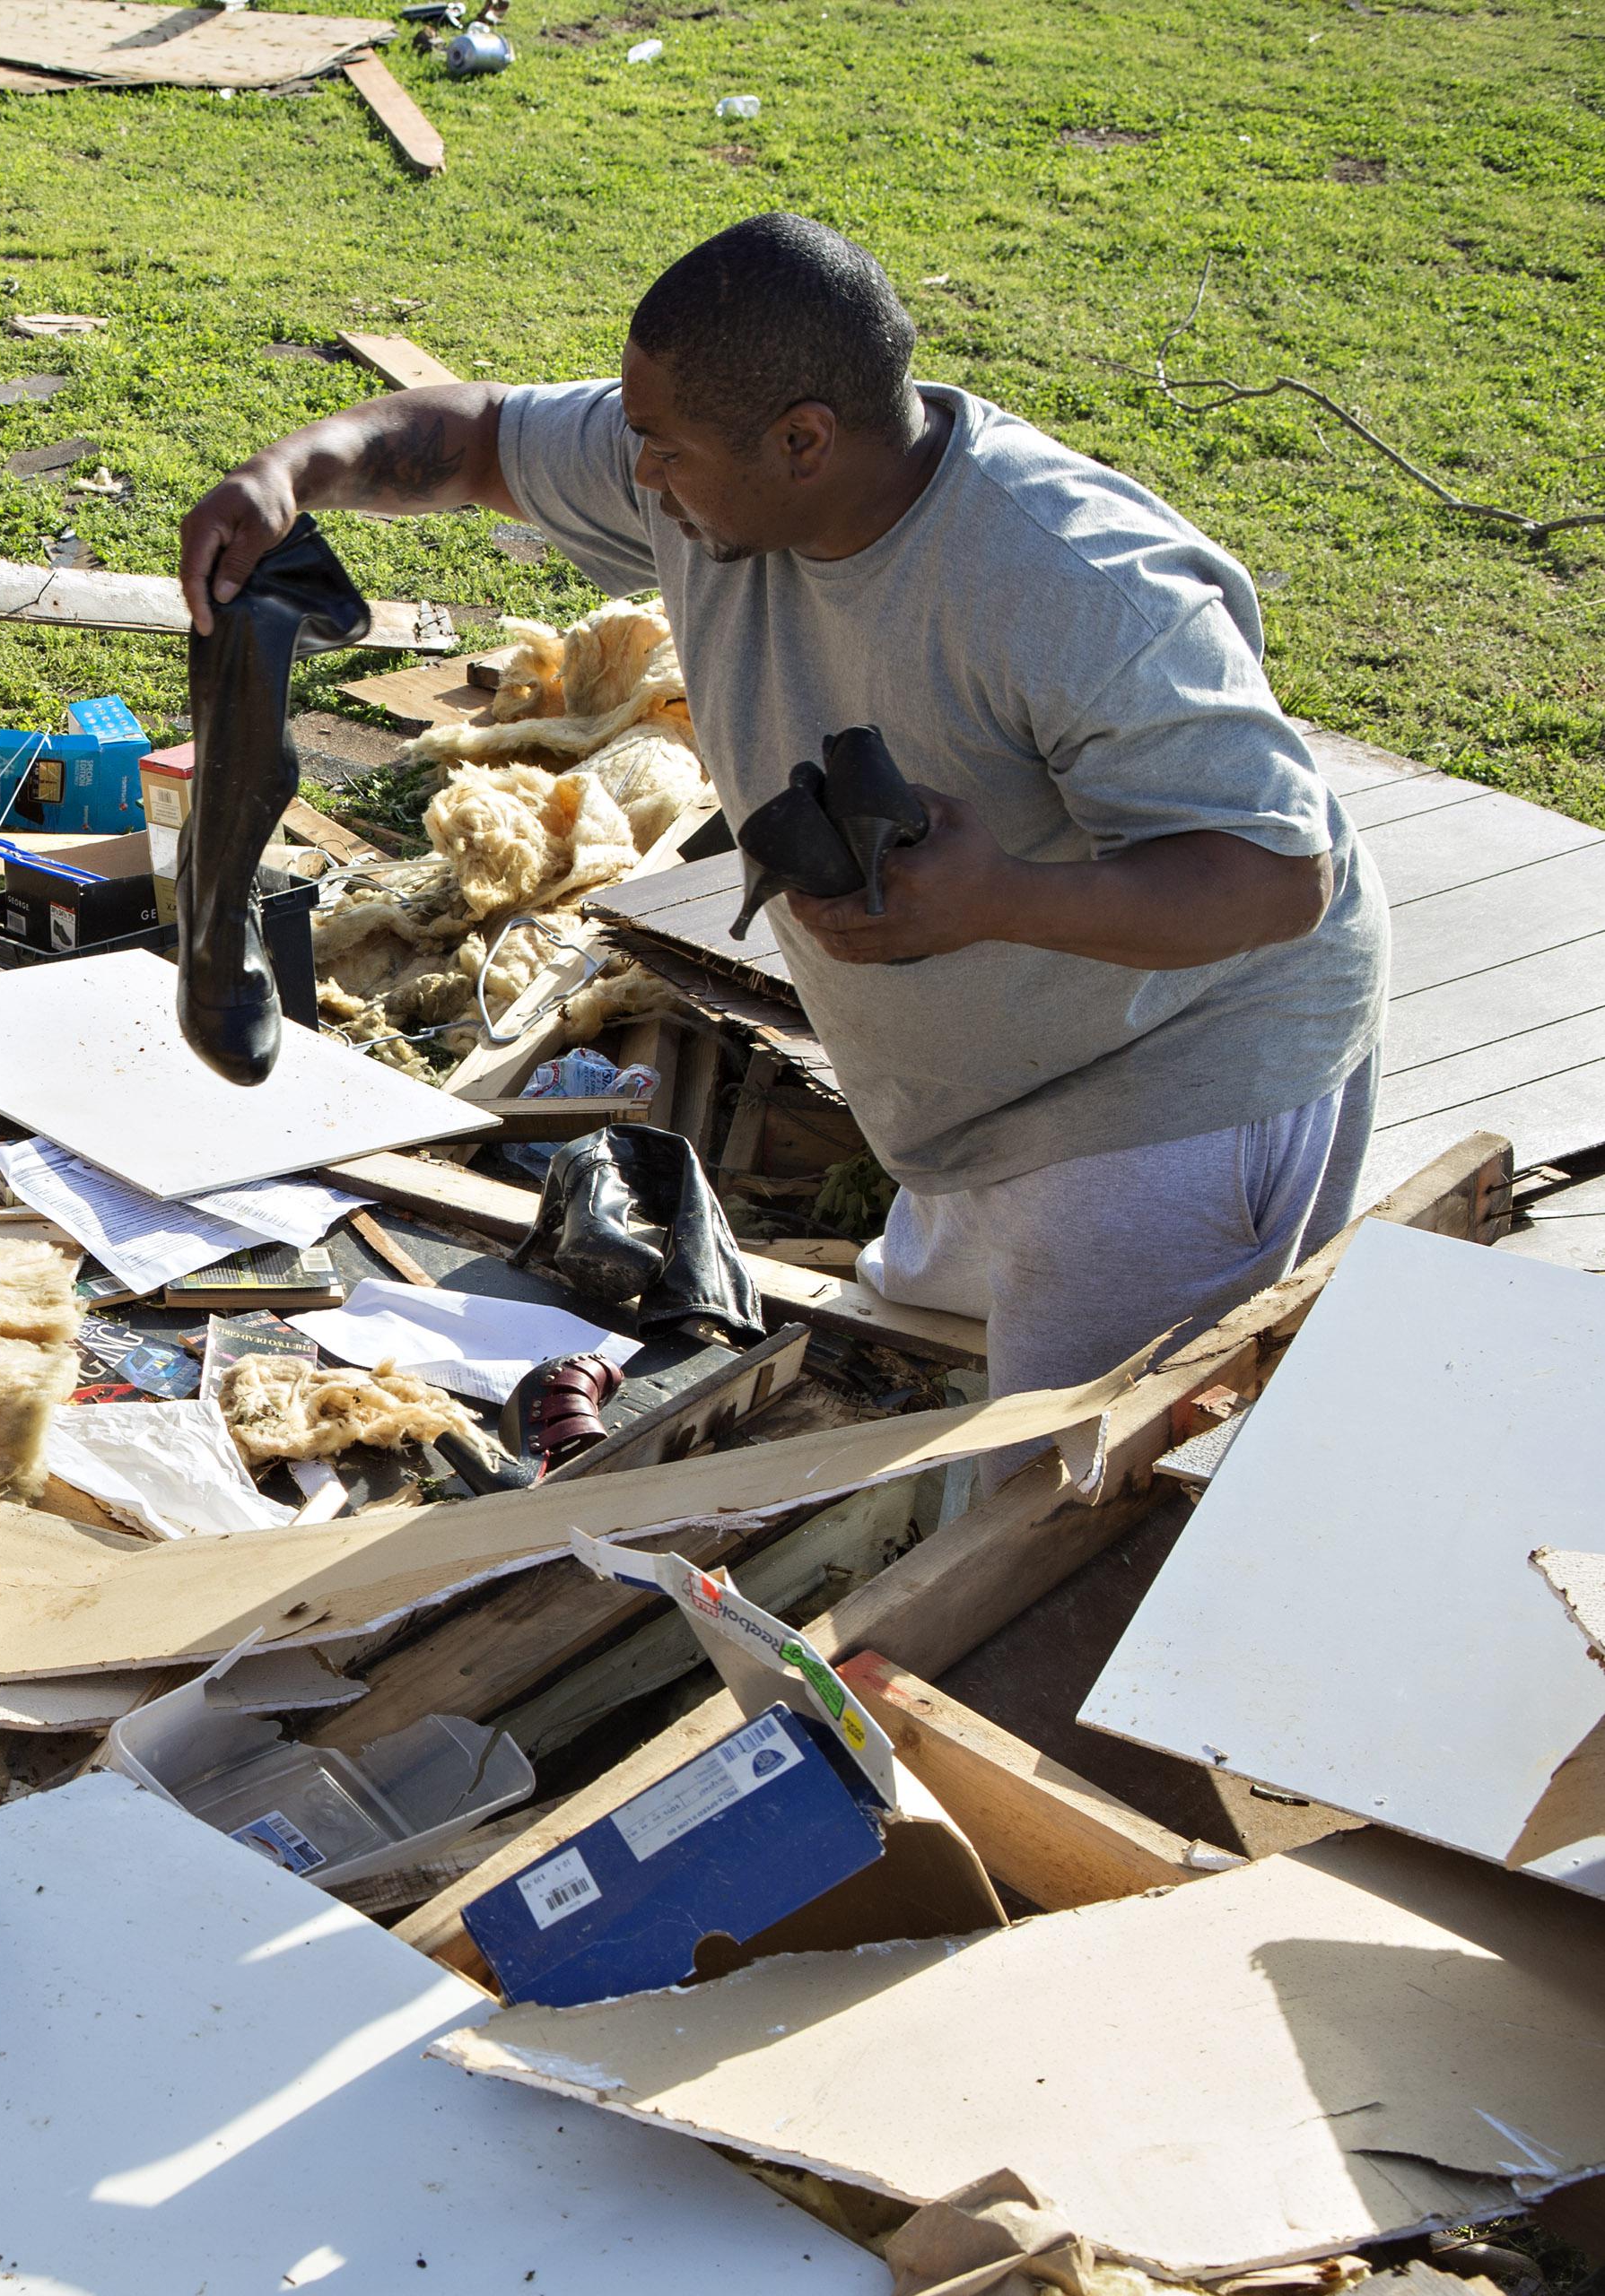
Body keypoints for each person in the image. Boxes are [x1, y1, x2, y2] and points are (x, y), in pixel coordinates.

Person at [177, 212, 1390, 1405]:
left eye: (663, 447)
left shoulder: (1076, 587)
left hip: (1175, 1087)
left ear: (803, 440)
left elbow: (1279, 878)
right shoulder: (715, 466)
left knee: (1049, 1501)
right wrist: (291, 471)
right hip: (988, 1092)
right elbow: (483, 433)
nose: (637, 471)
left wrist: (999, 898)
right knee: (910, 1371)